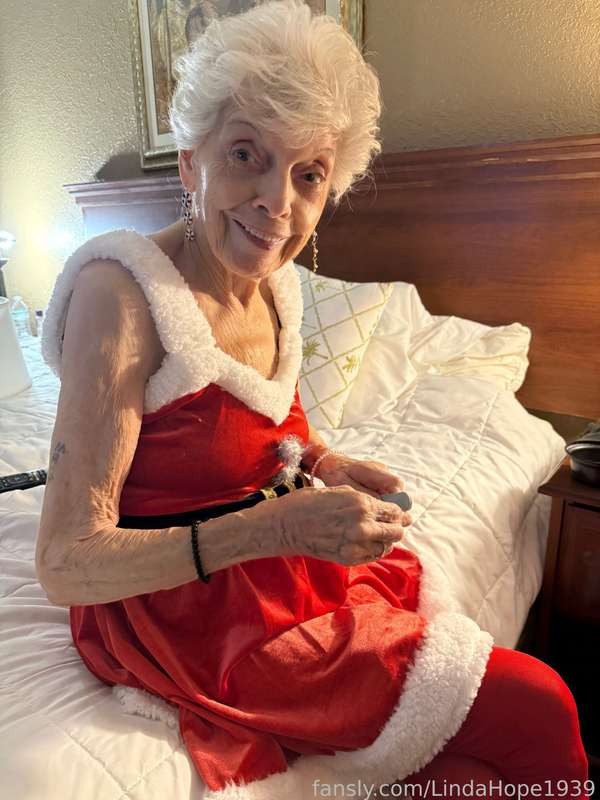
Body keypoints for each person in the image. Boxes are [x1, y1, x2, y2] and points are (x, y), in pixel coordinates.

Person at [36, 1, 588, 797]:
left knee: (467, 773)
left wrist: (326, 464)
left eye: (309, 174)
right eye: (246, 155)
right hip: (177, 610)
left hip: (274, 568)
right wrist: (277, 527)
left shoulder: (276, 285)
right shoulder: (121, 295)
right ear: (190, 162)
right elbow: (63, 563)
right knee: (540, 705)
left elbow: (269, 420)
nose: (278, 203)